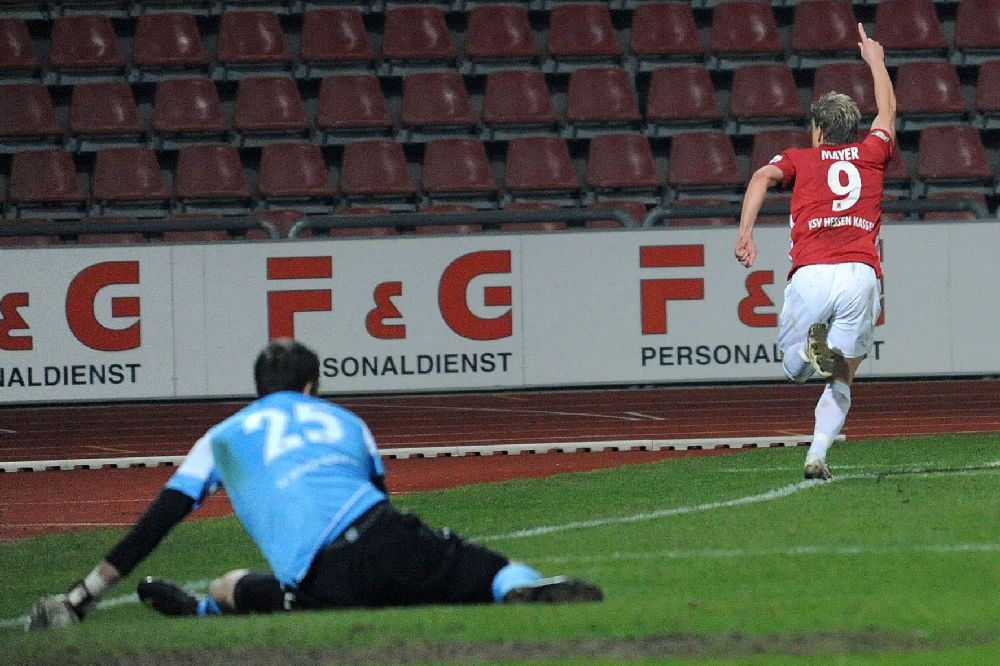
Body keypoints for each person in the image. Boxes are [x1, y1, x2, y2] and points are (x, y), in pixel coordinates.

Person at [27, 339, 601, 629]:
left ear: (259, 388)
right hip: (389, 536)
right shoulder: (346, 420)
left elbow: (157, 523)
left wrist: (82, 596)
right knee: (489, 568)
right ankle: (521, 587)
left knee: (231, 586)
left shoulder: (222, 437)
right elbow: (380, 497)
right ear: (309, 387)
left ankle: (200, 609)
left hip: (325, 576)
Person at [734, 23, 896, 481]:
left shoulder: (799, 159)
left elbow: (760, 178)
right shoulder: (872, 153)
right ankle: (817, 453)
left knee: (794, 370)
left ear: (820, 131)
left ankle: (808, 354)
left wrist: (746, 233)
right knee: (845, 372)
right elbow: (888, 111)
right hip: (859, 275)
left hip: (811, 274)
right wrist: (876, 61)